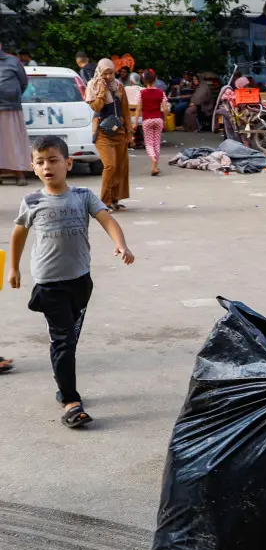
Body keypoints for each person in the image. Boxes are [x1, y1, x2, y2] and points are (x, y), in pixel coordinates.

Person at [7, 135, 135, 427]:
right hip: (49, 283)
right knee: (63, 340)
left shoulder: (82, 196)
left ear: (68, 162)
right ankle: (70, 401)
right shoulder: (32, 201)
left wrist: (121, 244)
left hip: (81, 281)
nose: (47, 166)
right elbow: (18, 235)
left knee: (70, 338)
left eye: (53, 160)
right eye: (40, 162)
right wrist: (12, 269)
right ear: (33, 168)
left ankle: (63, 383)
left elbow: (107, 220)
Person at [86, 59, 134, 211]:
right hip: (101, 131)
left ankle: (115, 199)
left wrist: (129, 131)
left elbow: (125, 110)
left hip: (118, 130)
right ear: (99, 72)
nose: (108, 76)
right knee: (110, 165)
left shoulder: (119, 86)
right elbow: (97, 106)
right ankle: (104, 202)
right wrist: (102, 90)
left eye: (111, 73)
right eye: (105, 73)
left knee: (120, 166)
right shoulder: (92, 86)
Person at [0, 40, 31, 185]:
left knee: (14, 142)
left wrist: (12, 94)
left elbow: (24, 82)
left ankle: (20, 175)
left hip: (10, 108)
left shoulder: (13, 61)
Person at [137, 69, 169, 177]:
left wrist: (135, 122)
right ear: (155, 79)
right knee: (156, 143)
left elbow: (138, 108)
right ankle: (155, 166)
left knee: (149, 143)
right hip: (158, 119)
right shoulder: (161, 93)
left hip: (147, 120)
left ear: (144, 81)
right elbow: (165, 108)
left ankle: (153, 161)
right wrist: (164, 120)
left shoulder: (141, 93)